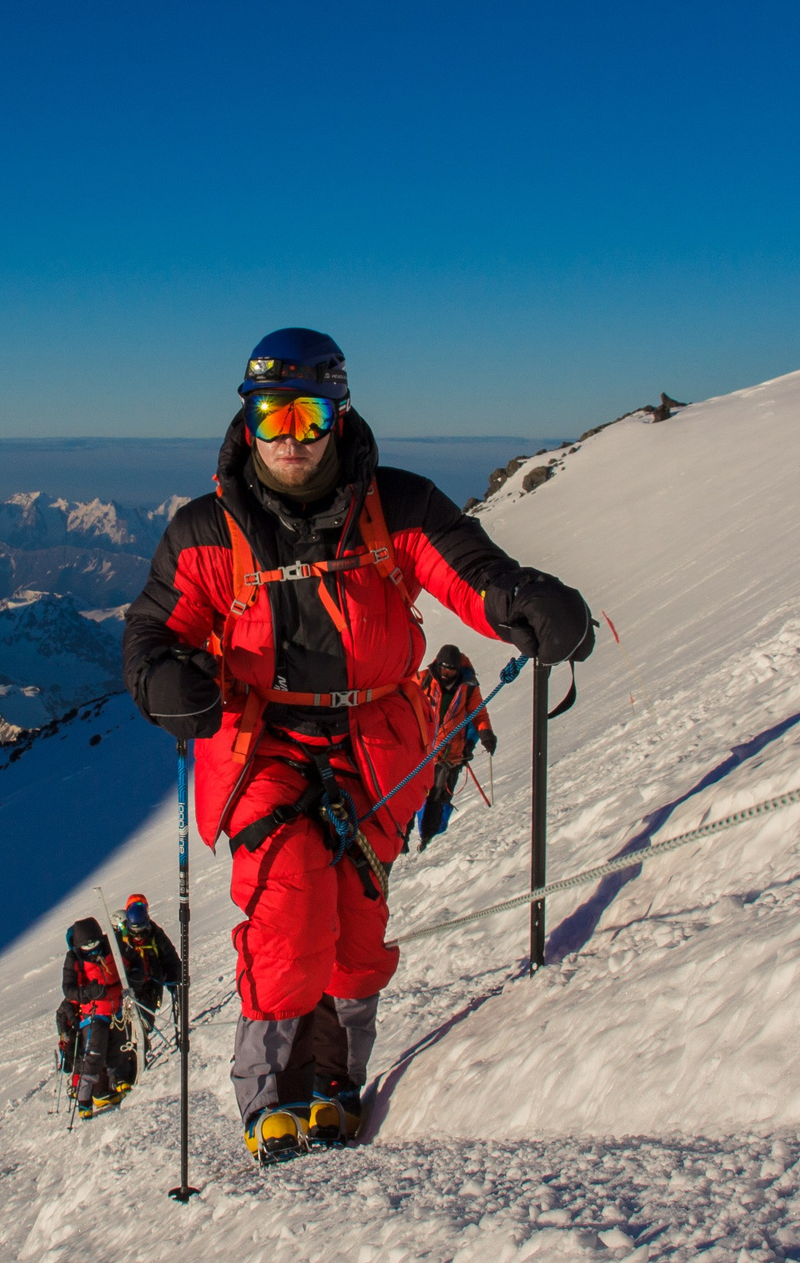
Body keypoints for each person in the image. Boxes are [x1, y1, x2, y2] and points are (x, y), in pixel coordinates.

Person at [122, 327, 592, 1163]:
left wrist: (521, 601)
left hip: (372, 743)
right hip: (260, 740)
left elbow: (466, 570)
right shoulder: (206, 531)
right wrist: (162, 679)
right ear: (249, 419)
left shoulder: (397, 506)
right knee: (286, 892)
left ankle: (336, 1080)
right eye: (273, 415)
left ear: (340, 413)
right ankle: (271, 1091)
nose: (291, 436)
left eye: (309, 414)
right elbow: (158, 627)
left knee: (355, 921)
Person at [417, 644, 498, 845]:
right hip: (421, 751)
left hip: (448, 754)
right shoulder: (424, 679)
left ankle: (428, 837)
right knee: (412, 793)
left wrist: (486, 733)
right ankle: (404, 840)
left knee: (437, 795)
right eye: (444, 670)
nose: (447, 675)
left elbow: (479, 713)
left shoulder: (468, 687)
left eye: (451, 670)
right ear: (438, 666)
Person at [58, 916, 136, 1119]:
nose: (92, 949)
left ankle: (116, 1082)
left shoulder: (112, 947)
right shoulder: (74, 959)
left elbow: (132, 963)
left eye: (94, 943)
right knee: (93, 1055)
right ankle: (84, 1100)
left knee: (116, 1049)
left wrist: (135, 978)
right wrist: (88, 993)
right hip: (94, 1014)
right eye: (87, 946)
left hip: (116, 1009)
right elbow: (68, 989)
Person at [112, 893, 184, 1048]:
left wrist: (174, 978)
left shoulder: (155, 935)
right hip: (126, 988)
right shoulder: (120, 936)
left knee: (145, 1023)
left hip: (149, 986)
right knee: (122, 1026)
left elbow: (169, 957)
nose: (138, 935)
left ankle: (140, 1049)